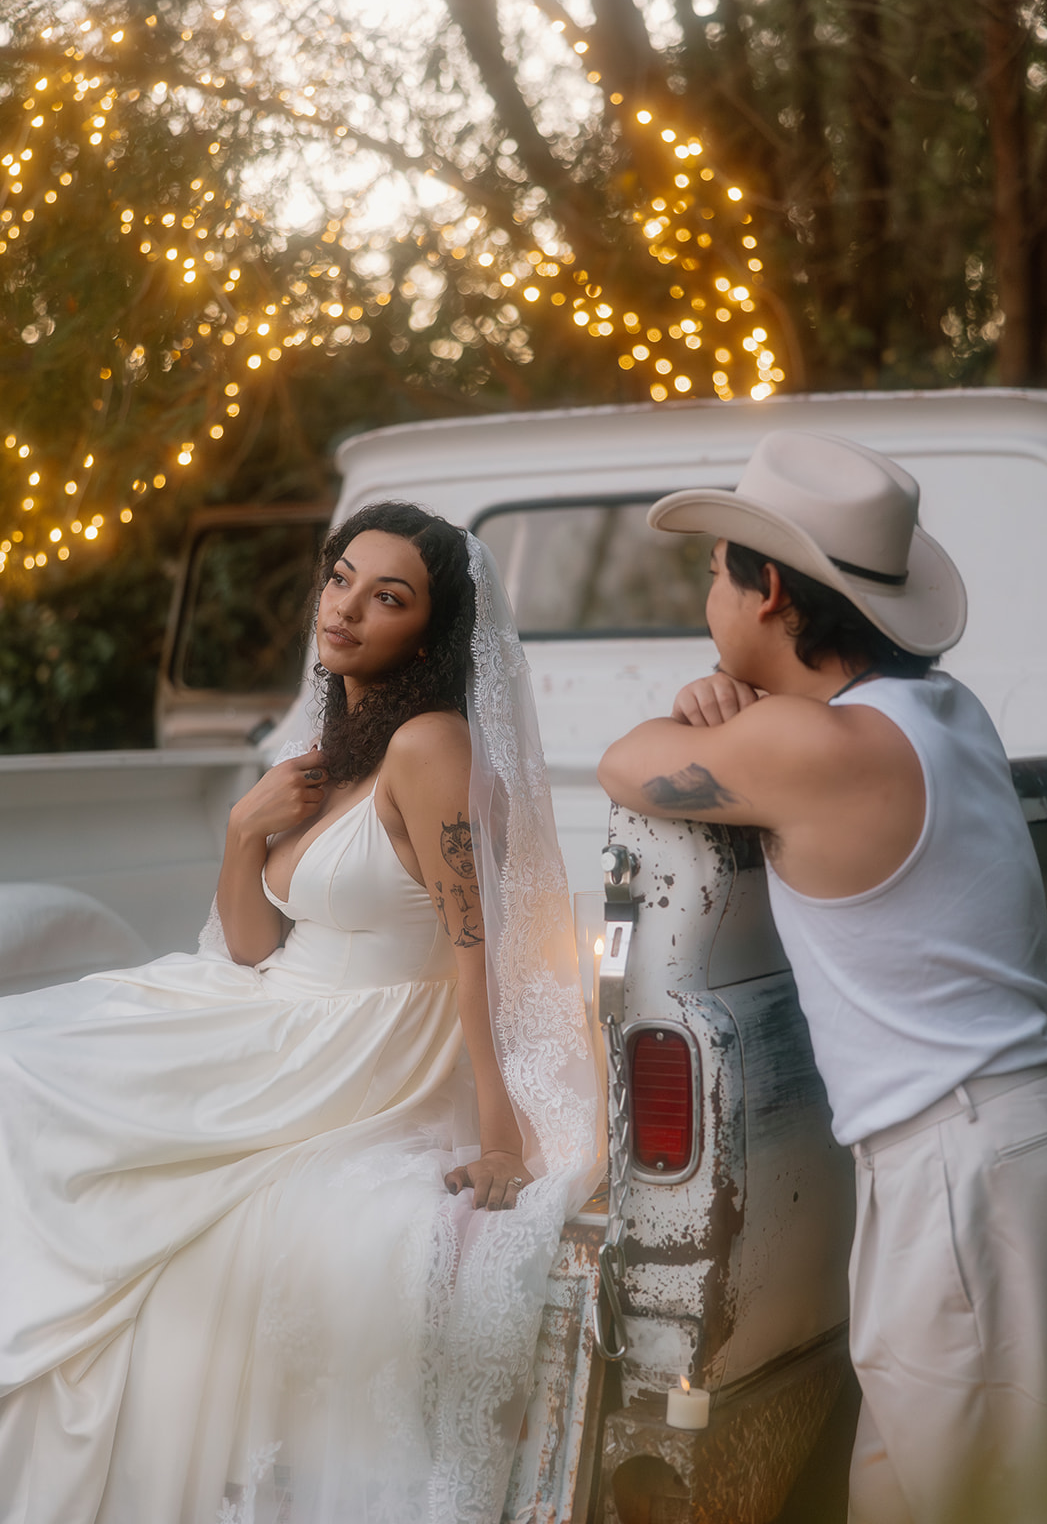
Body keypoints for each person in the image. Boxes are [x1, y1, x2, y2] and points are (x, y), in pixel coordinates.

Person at [0, 501, 602, 1524]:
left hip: (358, 1047)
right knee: (25, 1054)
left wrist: (500, 1129)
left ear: (430, 628)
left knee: (44, 1096)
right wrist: (243, 835)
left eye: (389, 596)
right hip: (267, 1004)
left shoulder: (429, 745)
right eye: (339, 579)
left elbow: (481, 949)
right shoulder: (329, 743)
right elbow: (248, 945)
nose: (348, 608)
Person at [598, 431, 1047, 1524]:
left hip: (956, 1178)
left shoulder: (817, 749)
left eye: (716, 569)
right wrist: (732, 701)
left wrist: (701, 702)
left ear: (767, 592)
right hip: (993, 1148)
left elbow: (629, 761)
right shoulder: (941, 715)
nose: (703, 589)